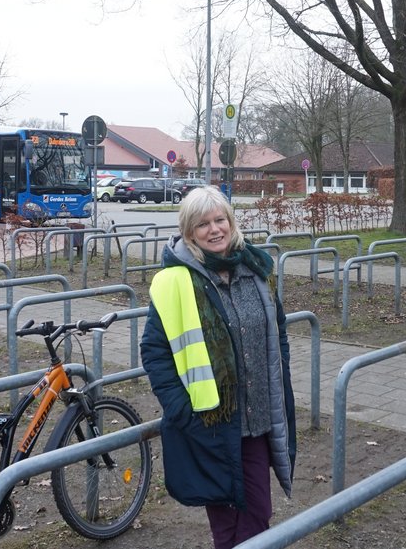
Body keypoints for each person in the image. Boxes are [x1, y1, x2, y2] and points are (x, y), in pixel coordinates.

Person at [141, 186, 296, 549]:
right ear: (189, 231)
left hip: (256, 420)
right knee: (226, 523)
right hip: (210, 423)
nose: (214, 230)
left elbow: (279, 328)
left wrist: (278, 373)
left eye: (219, 220)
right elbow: (154, 351)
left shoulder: (254, 270)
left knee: (258, 513)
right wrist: (180, 409)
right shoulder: (175, 281)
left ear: (231, 222)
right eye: (202, 224)